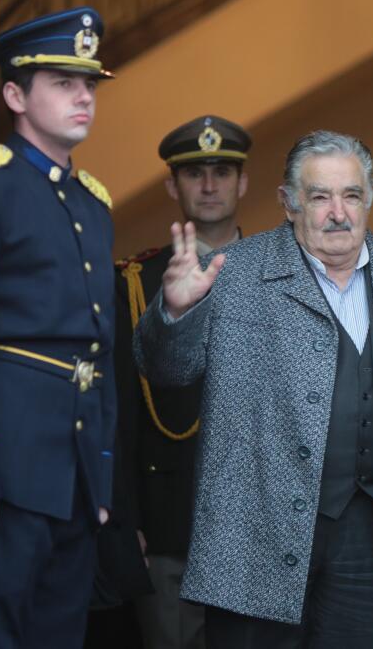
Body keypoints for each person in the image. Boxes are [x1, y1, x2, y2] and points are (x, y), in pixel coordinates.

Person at [133, 130, 373, 648]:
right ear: (288, 203)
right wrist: (175, 311)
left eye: (351, 195)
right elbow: (165, 369)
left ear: (369, 199)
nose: (338, 213)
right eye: (320, 197)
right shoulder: (236, 271)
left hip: (366, 525)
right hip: (256, 525)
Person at [0, 7, 118, 647]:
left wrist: (102, 470)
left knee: (60, 633)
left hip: (75, 468)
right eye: (63, 82)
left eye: (89, 83)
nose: (84, 96)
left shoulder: (94, 202)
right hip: (9, 461)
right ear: (15, 94)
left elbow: (103, 353)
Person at [115, 115, 252, 649]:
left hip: (256, 524)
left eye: (223, 171)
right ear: (173, 185)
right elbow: (119, 412)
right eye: (196, 174)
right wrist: (126, 519)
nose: (211, 185)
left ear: (244, 182)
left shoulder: (281, 274)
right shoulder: (134, 283)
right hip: (168, 522)